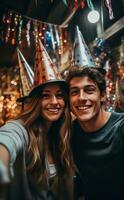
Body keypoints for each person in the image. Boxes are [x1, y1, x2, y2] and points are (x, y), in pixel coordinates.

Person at [0, 39, 74, 200]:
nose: (54, 102)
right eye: (45, 95)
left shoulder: (62, 133)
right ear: (35, 102)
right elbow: (7, 138)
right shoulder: (21, 129)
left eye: (59, 95)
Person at [66, 66, 124, 200]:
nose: (81, 98)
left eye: (89, 90)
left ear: (103, 95)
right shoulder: (68, 135)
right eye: (74, 92)